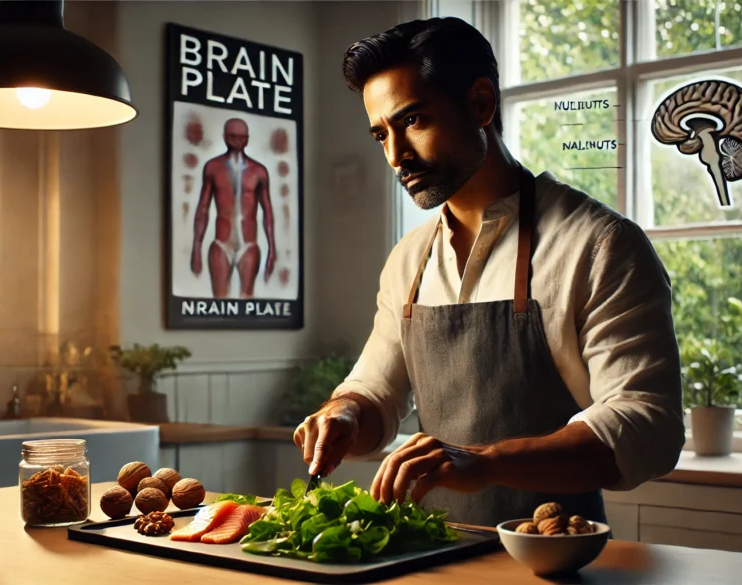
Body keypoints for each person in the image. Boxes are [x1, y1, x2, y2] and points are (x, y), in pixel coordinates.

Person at [292, 17, 685, 528]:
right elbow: (376, 391)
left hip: (553, 560)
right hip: (427, 559)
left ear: (480, 103)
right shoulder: (408, 260)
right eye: (380, 134)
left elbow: (647, 426)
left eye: (413, 122)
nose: (395, 156)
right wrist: (344, 413)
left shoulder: (598, 244)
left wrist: (487, 463)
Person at [191, 118, 277, 298]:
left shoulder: (259, 171)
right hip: (221, 243)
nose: (237, 142)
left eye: (241, 137)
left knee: (247, 302)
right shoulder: (213, 168)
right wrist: (196, 247)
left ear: (247, 139)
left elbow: (267, 211)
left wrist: (272, 249)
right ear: (224, 137)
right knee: (220, 302)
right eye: (232, 137)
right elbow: (203, 208)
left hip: (249, 244)